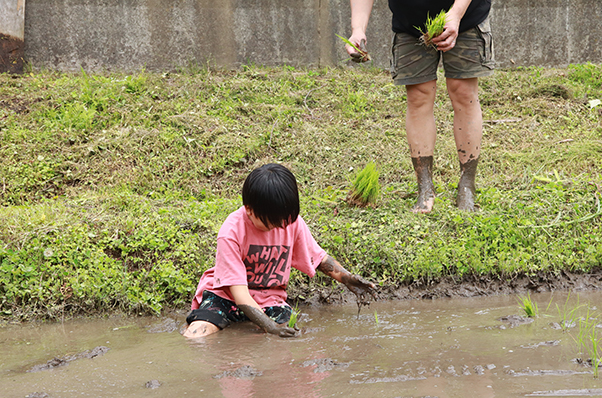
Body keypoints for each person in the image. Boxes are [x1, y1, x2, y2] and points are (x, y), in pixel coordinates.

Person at [183, 163, 377, 339]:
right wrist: (270, 327)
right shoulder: (231, 232)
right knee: (196, 335)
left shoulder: (289, 223)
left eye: (284, 220)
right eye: (272, 222)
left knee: (290, 335)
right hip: (225, 297)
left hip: (269, 300)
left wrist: (348, 278)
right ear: (249, 210)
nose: (280, 227)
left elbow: (318, 258)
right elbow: (240, 295)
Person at [346, 0, 494, 212]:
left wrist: (456, 14)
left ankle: (467, 185)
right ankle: (425, 188)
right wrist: (358, 29)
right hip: (411, 24)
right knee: (418, 96)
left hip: (467, 17)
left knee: (463, 93)